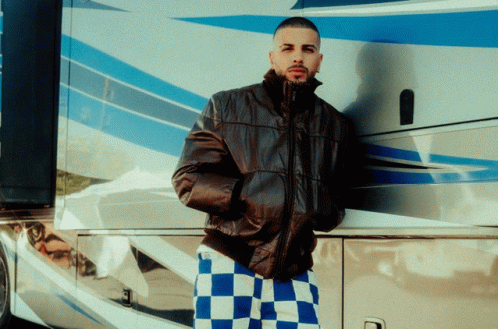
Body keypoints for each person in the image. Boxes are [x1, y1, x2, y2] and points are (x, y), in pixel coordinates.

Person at [172, 16, 352, 328]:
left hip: (294, 270)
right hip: (231, 261)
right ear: (272, 57)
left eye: (308, 49)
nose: (298, 56)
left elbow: (338, 199)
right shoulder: (227, 105)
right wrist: (247, 196)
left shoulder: (335, 125)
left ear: (319, 60)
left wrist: (316, 209)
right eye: (288, 48)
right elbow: (188, 179)